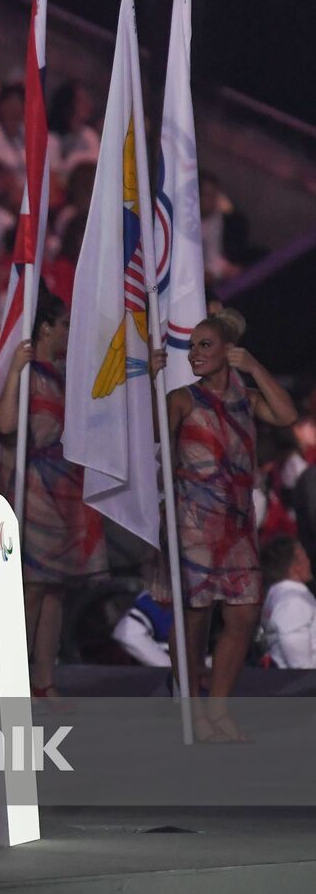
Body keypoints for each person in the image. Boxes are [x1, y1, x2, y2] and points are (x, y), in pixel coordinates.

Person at [159, 309, 297, 741]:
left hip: (237, 527)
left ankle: (219, 709)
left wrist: (253, 365)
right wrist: (149, 382)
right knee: (195, 620)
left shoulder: (246, 399)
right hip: (193, 524)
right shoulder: (182, 398)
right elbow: (154, 441)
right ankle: (194, 710)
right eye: (192, 346)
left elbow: (287, 415)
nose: (194, 354)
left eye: (205, 345)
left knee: (243, 615)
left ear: (228, 351)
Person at [0, 290, 106, 701]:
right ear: (45, 328)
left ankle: (44, 680)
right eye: (65, 325)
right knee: (32, 589)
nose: (69, 332)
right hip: (31, 491)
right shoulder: (27, 373)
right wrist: (14, 372)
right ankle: (13, 684)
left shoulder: (62, 376)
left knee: (55, 588)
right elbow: (6, 424)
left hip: (63, 493)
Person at [259, 537, 315, 669]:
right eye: (305, 556)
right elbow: (300, 664)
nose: (309, 561)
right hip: (305, 680)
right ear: (295, 567)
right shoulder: (293, 601)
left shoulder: (279, 595)